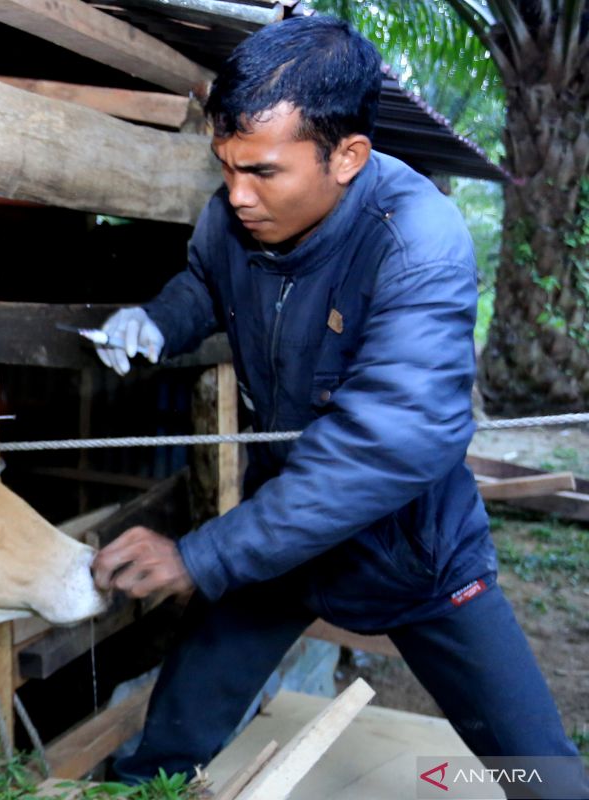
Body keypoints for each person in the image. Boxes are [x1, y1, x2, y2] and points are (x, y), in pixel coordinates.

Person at [90, 14, 588, 799]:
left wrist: (202, 556)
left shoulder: (418, 242)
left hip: (411, 550)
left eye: (261, 172)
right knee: (162, 752)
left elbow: (382, 447)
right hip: (281, 539)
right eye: (224, 168)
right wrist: (158, 320)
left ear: (348, 154)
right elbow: (207, 281)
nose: (234, 196)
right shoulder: (234, 213)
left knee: (546, 776)